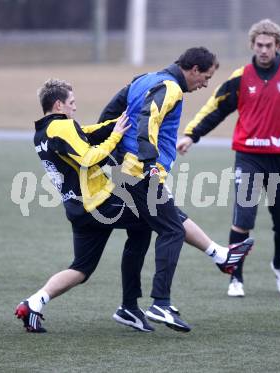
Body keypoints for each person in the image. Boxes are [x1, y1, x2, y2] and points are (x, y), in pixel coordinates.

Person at [15, 78, 252, 334]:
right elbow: (87, 157)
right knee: (163, 214)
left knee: (81, 269)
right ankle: (217, 257)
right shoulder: (62, 126)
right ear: (59, 104)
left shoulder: (42, 133)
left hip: (77, 210)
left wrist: (119, 122)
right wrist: (116, 136)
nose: (75, 107)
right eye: (72, 103)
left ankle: (33, 304)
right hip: (99, 204)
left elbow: (88, 133)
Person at [177, 20, 280, 297]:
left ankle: (279, 266)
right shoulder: (241, 77)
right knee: (242, 218)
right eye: (259, 45)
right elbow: (215, 107)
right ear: (252, 46)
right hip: (249, 156)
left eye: (269, 45)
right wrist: (191, 134)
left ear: (278, 46)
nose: (264, 50)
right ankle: (235, 277)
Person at [96, 47, 252, 330]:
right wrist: (149, 165)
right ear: (193, 69)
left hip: (125, 170)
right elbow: (148, 121)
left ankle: (129, 307)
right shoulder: (170, 88)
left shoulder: (142, 79)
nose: (205, 83)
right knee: (172, 230)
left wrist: (111, 154)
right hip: (141, 173)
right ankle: (161, 303)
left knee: (141, 233)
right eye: (205, 77)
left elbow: (109, 113)